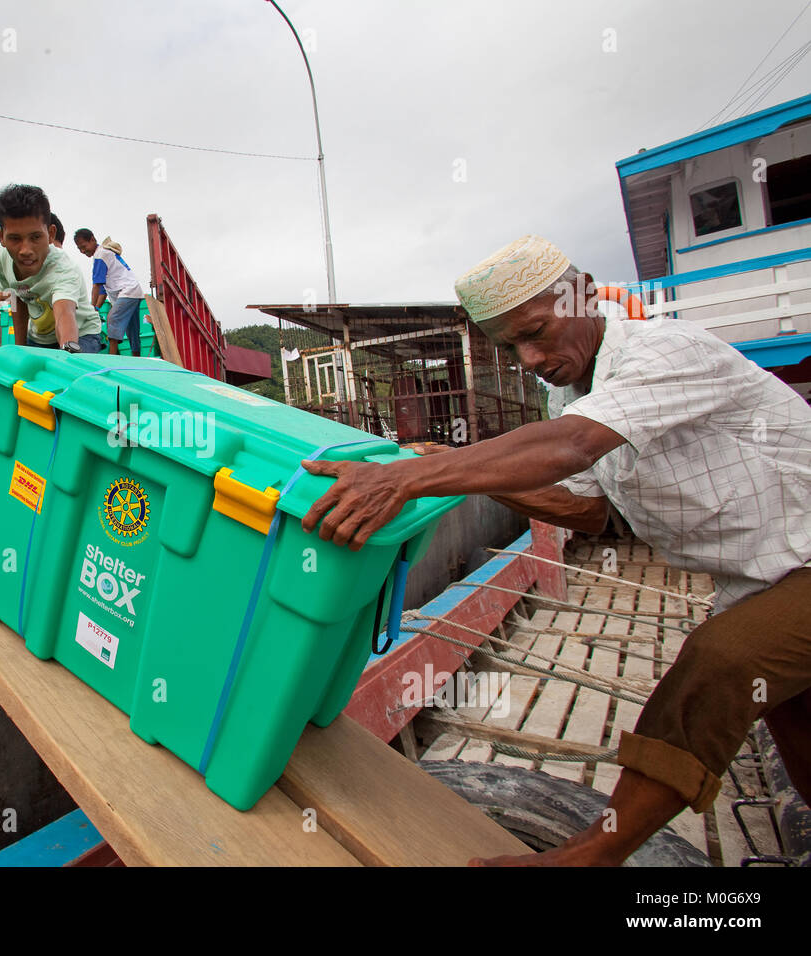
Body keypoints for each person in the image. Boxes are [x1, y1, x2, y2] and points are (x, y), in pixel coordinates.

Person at [300, 235, 811, 866]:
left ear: (585, 292)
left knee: (723, 660)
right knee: (794, 723)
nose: (532, 357)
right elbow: (592, 510)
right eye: (511, 346)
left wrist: (410, 478)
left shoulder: (666, 351)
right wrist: (452, 476)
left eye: (538, 331)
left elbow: (570, 446)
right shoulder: (575, 394)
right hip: (759, 584)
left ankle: (586, 858)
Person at [0, 186, 100, 353]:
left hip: (82, 333)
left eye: (35, 237)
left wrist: (68, 355)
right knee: (26, 370)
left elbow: (64, 314)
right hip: (39, 337)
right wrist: (21, 350)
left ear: (50, 233)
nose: (25, 250)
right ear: (1, 237)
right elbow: (18, 299)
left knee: (69, 370)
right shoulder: (1, 257)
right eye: (15, 238)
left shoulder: (64, 269)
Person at [0, 212, 69, 358]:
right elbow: (17, 294)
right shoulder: (6, 258)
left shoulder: (60, 269)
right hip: (4, 305)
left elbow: (21, 295)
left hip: (12, 306)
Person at [73, 228, 146, 356]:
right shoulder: (104, 254)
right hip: (134, 291)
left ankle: (112, 356)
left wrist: (91, 309)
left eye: (84, 247)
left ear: (92, 240)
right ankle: (137, 356)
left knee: (112, 318)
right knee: (132, 328)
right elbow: (103, 291)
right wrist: (96, 307)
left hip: (127, 290)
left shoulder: (100, 255)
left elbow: (96, 285)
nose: (83, 251)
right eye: (80, 249)